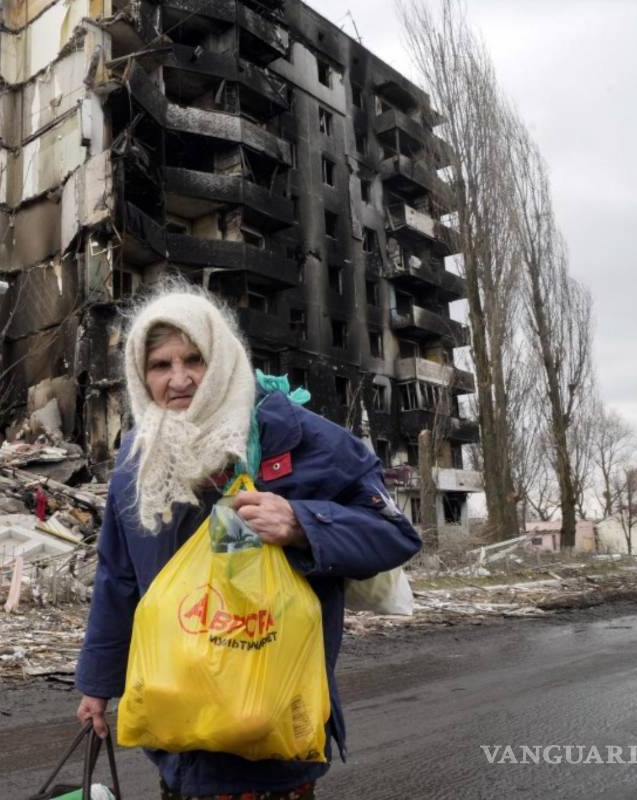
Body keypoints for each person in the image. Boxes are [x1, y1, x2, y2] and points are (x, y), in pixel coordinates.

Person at [74, 286, 422, 798]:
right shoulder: (139, 462)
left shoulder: (299, 438)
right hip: (179, 735)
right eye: (160, 365)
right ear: (139, 376)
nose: (179, 379)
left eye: (195, 359)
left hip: (273, 735)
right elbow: (118, 580)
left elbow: (394, 534)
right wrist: (97, 685)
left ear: (221, 359)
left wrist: (302, 523)